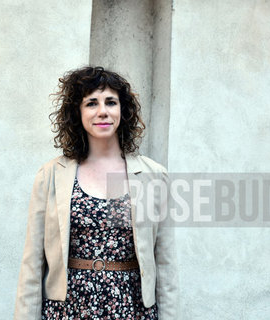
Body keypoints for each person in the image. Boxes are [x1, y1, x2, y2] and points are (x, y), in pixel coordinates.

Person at [14, 66, 177, 319]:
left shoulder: (154, 175)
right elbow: (32, 265)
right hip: (69, 309)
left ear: (123, 110)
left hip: (132, 309)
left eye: (111, 102)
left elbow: (165, 266)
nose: (102, 111)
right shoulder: (51, 176)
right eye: (91, 103)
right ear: (77, 113)